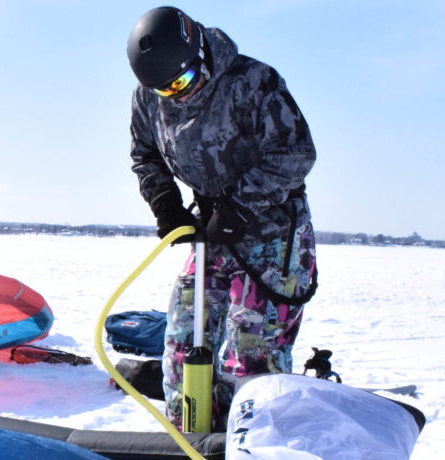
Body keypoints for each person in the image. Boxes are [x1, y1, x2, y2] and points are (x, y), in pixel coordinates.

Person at [127, 6, 318, 431]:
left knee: (250, 353)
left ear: (200, 54)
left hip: (270, 231)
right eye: (164, 89)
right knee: (183, 339)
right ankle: (192, 438)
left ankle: (256, 447)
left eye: (182, 82)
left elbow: (296, 153)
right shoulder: (149, 98)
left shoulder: (253, 83)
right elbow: (145, 154)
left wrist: (240, 205)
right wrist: (164, 201)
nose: (176, 95)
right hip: (210, 233)